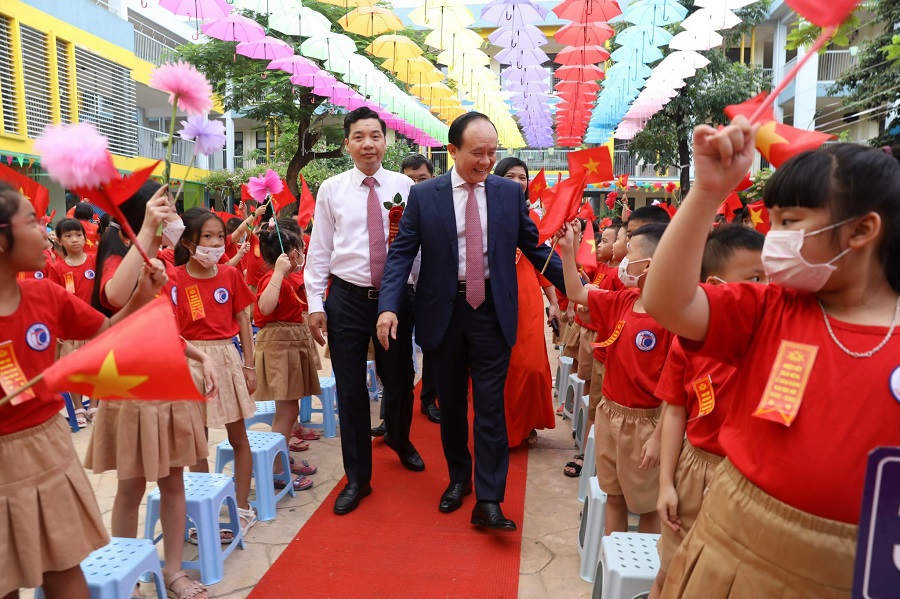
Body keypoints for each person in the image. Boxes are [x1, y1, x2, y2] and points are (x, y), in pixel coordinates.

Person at [642, 118, 900, 598]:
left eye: (789, 223)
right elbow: (667, 301)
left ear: (862, 230)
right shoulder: (768, 308)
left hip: (856, 569)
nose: (772, 237)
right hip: (735, 542)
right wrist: (706, 194)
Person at [376, 112, 567, 531]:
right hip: (443, 313)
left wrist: (578, 284)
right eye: (477, 152)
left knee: (490, 407)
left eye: (492, 153)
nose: (485, 160)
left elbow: (534, 250)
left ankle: (490, 499)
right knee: (451, 405)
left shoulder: (506, 194)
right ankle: (459, 478)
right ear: (453, 150)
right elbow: (401, 254)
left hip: (492, 312)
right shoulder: (425, 196)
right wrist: (388, 305)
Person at [0, 182, 166, 599]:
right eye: (32, 222)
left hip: (49, 448)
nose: (47, 231)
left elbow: (107, 330)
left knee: (65, 565)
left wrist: (143, 294)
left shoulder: (43, 294)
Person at [85, 182, 216, 599]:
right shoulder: (118, 258)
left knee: (174, 482)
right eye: (165, 209)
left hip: (171, 383)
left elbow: (168, 327)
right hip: (130, 390)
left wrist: (202, 357)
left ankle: (173, 570)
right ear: (135, 220)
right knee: (131, 485)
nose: (172, 217)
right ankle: (126, 571)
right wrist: (143, 229)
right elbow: (114, 296)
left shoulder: (164, 261)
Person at [305, 106, 422, 516]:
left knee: (400, 379)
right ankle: (358, 478)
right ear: (347, 144)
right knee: (351, 391)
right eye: (358, 136)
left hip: (396, 299)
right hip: (348, 300)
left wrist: (418, 294)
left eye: (375, 135)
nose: (367, 143)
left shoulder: (407, 187)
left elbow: (417, 249)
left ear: (386, 141)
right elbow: (319, 251)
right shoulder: (331, 189)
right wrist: (316, 304)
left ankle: (400, 438)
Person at [648, 225, 766, 599]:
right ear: (715, 285)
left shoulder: (774, 341)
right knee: (670, 572)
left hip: (746, 478)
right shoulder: (688, 345)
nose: (769, 289)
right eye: (757, 279)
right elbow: (674, 412)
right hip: (695, 470)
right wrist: (666, 483)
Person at [558, 221, 672, 536]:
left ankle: (640, 570)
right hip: (611, 413)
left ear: (648, 265)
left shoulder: (670, 318)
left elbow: (673, 391)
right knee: (614, 494)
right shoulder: (623, 301)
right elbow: (577, 293)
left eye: (630, 251)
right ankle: (610, 554)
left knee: (647, 505)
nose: (624, 260)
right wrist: (568, 250)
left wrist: (659, 437)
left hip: (646, 422)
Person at [173, 208, 261, 537]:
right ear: (188, 242)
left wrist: (249, 366)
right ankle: (204, 510)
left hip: (226, 357)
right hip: (190, 360)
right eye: (207, 237)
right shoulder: (175, 277)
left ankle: (241, 507)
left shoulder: (230, 275)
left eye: (220, 237)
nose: (215, 243)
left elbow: (243, 322)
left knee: (239, 437)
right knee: (198, 443)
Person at [492, 156, 558, 447]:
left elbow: (543, 265)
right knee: (502, 367)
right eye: (510, 176)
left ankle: (527, 422)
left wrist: (553, 301)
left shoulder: (533, 218)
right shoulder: (486, 213)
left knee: (529, 366)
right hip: (494, 297)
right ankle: (503, 429)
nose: (518, 182)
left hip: (528, 298)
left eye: (523, 177)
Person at [254, 220, 321, 487]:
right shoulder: (272, 278)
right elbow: (265, 307)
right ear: (290, 253)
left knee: (289, 408)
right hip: (280, 346)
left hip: (289, 343)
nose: (301, 254)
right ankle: (278, 468)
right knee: (285, 410)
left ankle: (281, 458)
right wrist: (279, 273)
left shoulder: (282, 278)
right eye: (300, 249)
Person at [48, 218, 98, 427]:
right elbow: (53, 299)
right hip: (71, 329)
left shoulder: (94, 261)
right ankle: (78, 407)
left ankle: (94, 405)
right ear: (59, 240)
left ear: (85, 238)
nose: (74, 240)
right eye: (68, 236)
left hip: (95, 325)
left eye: (78, 235)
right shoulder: (57, 268)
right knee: (74, 369)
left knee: (96, 366)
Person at [401, 153, 440, 425]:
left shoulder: (440, 207)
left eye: (421, 178)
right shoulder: (391, 207)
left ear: (432, 178)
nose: (415, 185)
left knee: (433, 347)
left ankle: (429, 400)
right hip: (402, 287)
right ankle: (393, 412)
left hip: (431, 286)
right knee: (396, 351)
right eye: (408, 179)